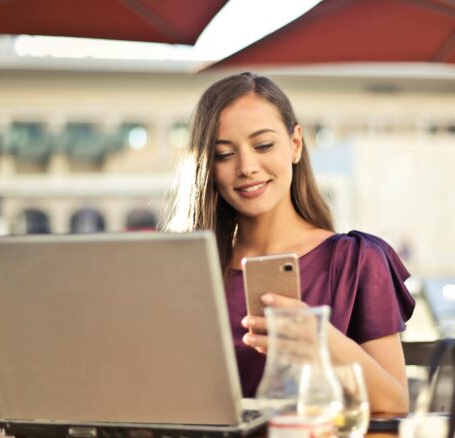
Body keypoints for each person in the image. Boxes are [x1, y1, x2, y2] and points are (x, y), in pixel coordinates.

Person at [166, 72, 415, 413]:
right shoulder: (188, 272)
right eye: (224, 154)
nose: (247, 167)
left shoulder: (356, 259)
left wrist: (320, 341)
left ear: (295, 144)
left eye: (263, 145)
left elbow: (396, 403)